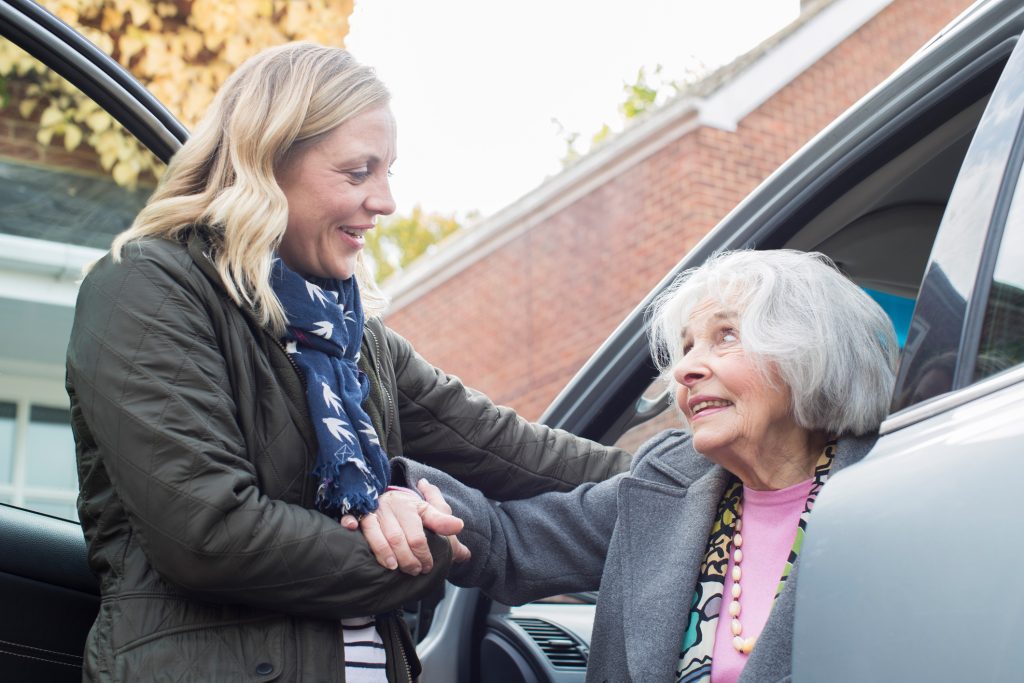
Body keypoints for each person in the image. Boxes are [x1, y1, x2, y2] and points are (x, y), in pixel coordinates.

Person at [65, 42, 629, 682]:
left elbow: (510, 452)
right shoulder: (150, 288)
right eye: (358, 173)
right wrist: (433, 546)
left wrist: (707, 477)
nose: (386, 201)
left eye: (389, 172)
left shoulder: (350, 336)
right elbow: (211, 535)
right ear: (267, 164)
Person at [382, 249, 899, 683]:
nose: (688, 368)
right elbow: (513, 543)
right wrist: (397, 495)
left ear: (810, 353)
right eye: (687, 346)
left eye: (726, 336)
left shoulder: (891, 490)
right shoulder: (668, 482)